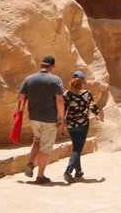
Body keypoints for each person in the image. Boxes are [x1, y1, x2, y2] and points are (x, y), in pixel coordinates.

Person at [17, 55, 66, 184]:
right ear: (52, 66)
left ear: (41, 65)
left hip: (33, 117)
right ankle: (40, 176)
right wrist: (61, 118)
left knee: (37, 139)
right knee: (46, 147)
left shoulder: (29, 79)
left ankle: (30, 162)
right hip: (49, 119)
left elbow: (20, 98)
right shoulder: (56, 80)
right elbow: (59, 100)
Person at [62, 70, 103, 183]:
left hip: (70, 124)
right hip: (83, 124)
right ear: (83, 81)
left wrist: (61, 124)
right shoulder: (87, 94)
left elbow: (64, 110)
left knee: (76, 147)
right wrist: (97, 115)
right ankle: (68, 171)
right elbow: (92, 106)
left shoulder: (66, 94)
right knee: (77, 149)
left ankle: (78, 171)